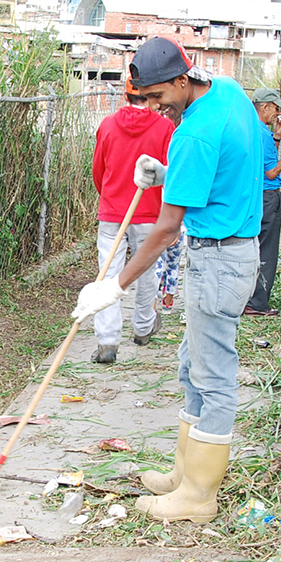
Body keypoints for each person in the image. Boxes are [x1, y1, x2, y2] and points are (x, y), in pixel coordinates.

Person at [71, 36, 266, 523]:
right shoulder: (227, 91)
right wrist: (165, 172)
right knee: (191, 365)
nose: (155, 110)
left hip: (219, 259)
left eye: (158, 99)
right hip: (228, 250)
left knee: (214, 375)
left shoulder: (196, 132)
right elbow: (220, 169)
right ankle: (184, 473)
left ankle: (198, 495)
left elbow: (163, 231)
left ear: (182, 81)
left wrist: (112, 287)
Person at [88, 78, 174, 363]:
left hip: (113, 212)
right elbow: (167, 173)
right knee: (145, 272)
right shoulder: (164, 128)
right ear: (151, 96)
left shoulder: (108, 125)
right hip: (148, 212)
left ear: (125, 95)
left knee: (107, 275)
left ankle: (107, 341)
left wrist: (110, 197)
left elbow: (98, 170)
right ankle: (144, 326)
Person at [245, 88, 281, 316]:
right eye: (275, 109)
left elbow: (265, 160)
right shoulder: (260, 132)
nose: (277, 114)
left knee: (255, 246)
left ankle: (249, 298)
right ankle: (258, 303)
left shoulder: (254, 130)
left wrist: (277, 136)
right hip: (268, 196)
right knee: (267, 250)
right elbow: (271, 172)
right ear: (265, 106)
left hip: (256, 195)